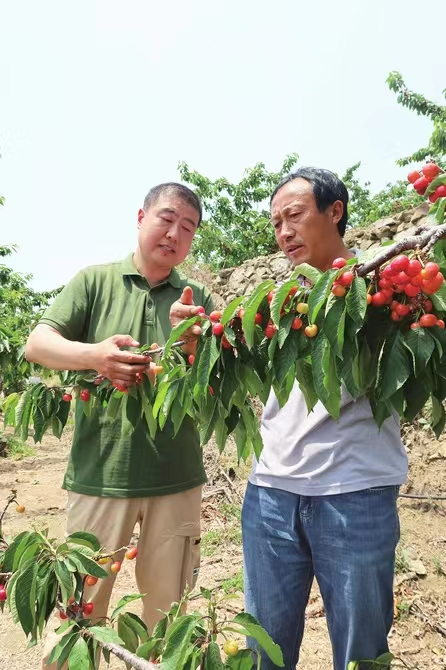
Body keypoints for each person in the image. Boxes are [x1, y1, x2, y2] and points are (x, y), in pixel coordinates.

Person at [25, 182, 214, 668]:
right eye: (166, 219)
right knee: (80, 615)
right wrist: (96, 356)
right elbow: (38, 343)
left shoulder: (198, 298)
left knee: (168, 620)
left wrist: (189, 350)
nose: (174, 234)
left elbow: (213, 381)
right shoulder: (95, 281)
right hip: (100, 478)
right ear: (140, 217)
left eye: (188, 228)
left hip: (175, 480)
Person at [241, 167, 408, 670]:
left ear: (335, 212)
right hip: (269, 496)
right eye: (275, 224)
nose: (284, 232)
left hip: (356, 495)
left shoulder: (386, 293)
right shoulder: (277, 304)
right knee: (265, 650)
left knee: (361, 653)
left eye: (294, 216)